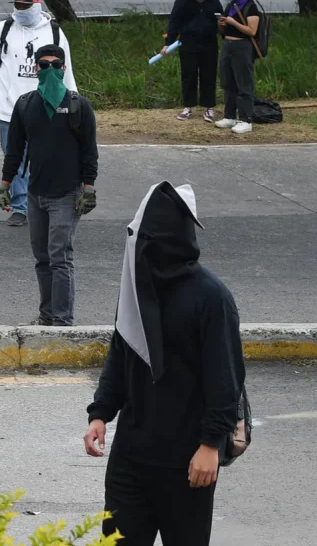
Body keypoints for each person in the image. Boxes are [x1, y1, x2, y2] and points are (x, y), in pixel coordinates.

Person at [85, 182, 246, 546]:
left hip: (189, 463)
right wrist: (100, 415)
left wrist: (209, 446)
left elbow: (226, 379)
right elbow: (120, 354)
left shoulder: (212, 298)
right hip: (131, 459)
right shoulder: (136, 288)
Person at [0, 45, 99, 326]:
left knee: (60, 257)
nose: (50, 70)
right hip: (36, 194)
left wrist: (88, 189)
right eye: (44, 65)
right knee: (42, 258)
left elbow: (90, 152)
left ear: (64, 69)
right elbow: (15, 151)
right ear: (35, 69)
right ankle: (47, 315)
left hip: (68, 194)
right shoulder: (25, 105)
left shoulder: (80, 106)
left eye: (56, 65)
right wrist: (4, 186)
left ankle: (63, 320)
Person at [0, 0, 78, 228]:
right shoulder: (3, 30)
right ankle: (21, 205)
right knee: (15, 157)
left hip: (44, 107)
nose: (20, 10)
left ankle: (43, 202)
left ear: (36, 5)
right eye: (17, 6)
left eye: (25, 6)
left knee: (44, 156)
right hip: (7, 107)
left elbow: (67, 70)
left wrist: (74, 106)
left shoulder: (54, 33)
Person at [162, 0, 222, 122]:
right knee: (189, 75)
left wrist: (223, 30)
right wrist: (167, 44)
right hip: (188, 42)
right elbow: (174, 23)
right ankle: (188, 106)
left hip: (209, 42)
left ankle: (209, 107)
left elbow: (221, 19)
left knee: (209, 75)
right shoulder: (183, 0)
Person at [215, 0, 260, 134]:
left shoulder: (250, 7)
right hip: (228, 45)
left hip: (242, 47)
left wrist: (233, 22)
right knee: (228, 81)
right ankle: (229, 115)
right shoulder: (230, 7)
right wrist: (222, 24)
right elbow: (224, 31)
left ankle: (246, 119)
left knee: (243, 83)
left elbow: (251, 31)